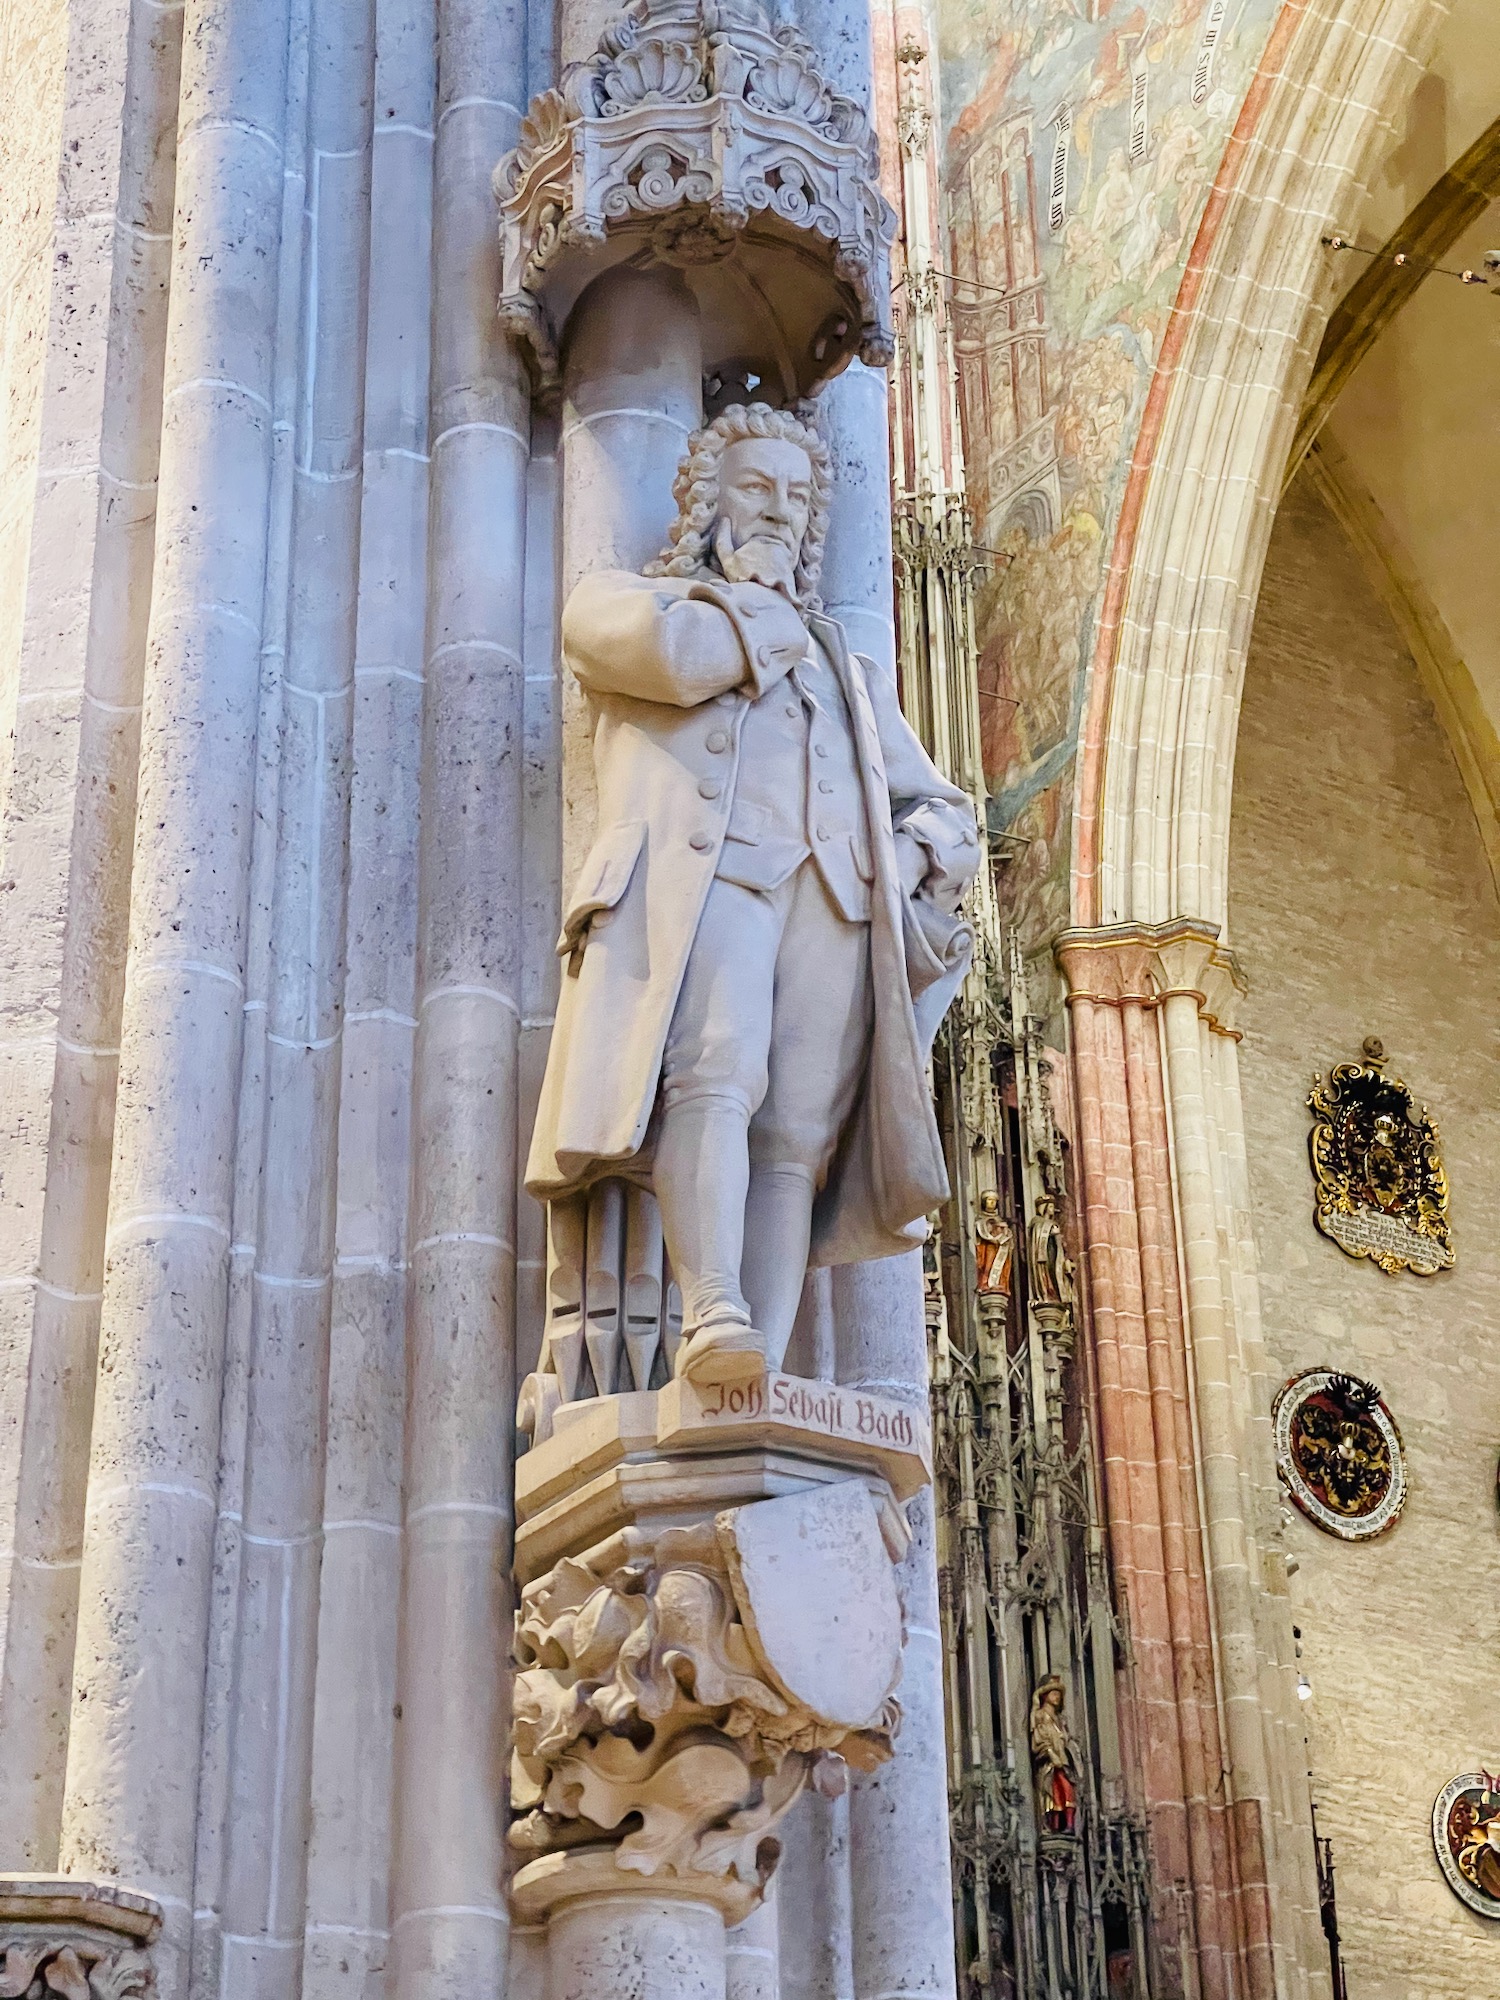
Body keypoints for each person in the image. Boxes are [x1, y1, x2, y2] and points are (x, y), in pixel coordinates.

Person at [526, 402, 979, 1385]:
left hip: (833, 899)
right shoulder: (630, 603)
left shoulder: (847, 673)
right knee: (714, 1075)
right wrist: (766, 611)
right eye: (757, 488)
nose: (780, 510)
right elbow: (670, 661)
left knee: (795, 1139)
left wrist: (901, 863)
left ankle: (763, 1368)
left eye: (799, 496)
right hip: (711, 877)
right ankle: (711, 1308)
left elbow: (945, 809)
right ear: (709, 499)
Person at [1029, 1675, 1078, 1834]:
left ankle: (1068, 1824)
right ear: (1045, 1695)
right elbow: (1039, 1739)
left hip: (1063, 1760)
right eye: (1053, 1693)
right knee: (1053, 1791)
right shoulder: (1040, 1715)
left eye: (1059, 1693)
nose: (1057, 1696)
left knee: (1067, 1790)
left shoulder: (1059, 1719)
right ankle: (1055, 1825)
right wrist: (1050, 1753)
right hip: (1050, 1761)